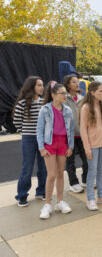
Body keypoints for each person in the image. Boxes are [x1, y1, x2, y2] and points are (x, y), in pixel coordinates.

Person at [37, 82, 74, 219]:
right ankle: (47, 204)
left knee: (60, 174)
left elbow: (70, 131)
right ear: (53, 95)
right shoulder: (45, 110)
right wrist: (41, 148)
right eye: (62, 93)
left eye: (66, 93)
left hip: (63, 143)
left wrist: (70, 146)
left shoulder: (68, 111)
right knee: (51, 174)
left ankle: (59, 202)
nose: (65, 95)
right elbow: (39, 130)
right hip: (50, 143)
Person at [80, 81, 102, 211]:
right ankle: (90, 199)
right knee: (92, 171)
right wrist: (87, 148)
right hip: (93, 145)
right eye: (100, 91)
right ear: (92, 92)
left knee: (101, 170)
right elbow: (83, 129)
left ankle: (101, 196)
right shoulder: (86, 108)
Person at [13, 76, 47, 207]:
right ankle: (22, 195)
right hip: (28, 139)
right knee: (27, 167)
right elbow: (16, 121)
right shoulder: (23, 103)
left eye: (42, 85)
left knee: (43, 167)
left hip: (43, 139)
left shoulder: (44, 102)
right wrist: (25, 132)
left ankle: (42, 191)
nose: (42, 88)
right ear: (32, 86)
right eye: (39, 85)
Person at [63, 75, 86, 193]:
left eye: (77, 82)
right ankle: (73, 183)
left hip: (82, 135)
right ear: (67, 84)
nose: (77, 84)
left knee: (86, 159)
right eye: (74, 82)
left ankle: (86, 180)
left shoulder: (82, 98)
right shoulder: (63, 99)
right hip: (68, 136)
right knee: (70, 161)